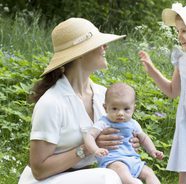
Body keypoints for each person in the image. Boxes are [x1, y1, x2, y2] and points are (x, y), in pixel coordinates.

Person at [18, 17, 141, 184]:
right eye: (99, 43)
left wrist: (126, 142)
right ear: (80, 54)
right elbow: (39, 170)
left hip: (82, 178)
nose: (105, 47)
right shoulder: (52, 103)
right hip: (45, 181)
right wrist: (89, 147)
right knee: (109, 178)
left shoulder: (102, 95)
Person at [139, 0, 186, 184]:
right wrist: (152, 71)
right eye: (178, 31)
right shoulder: (182, 59)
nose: (180, 36)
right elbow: (173, 91)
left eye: (185, 30)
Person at [84, 82, 164, 184]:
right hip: (113, 160)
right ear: (105, 108)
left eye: (126, 109)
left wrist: (153, 150)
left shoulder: (133, 124)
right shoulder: (104, 123)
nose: (120, 113)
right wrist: (95, 149)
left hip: (133, 159)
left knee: (149, 172)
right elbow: (89, 136)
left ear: (133, 108)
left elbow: (143, 138)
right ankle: (132, 182)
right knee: (122, 170)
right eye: (114, 109)